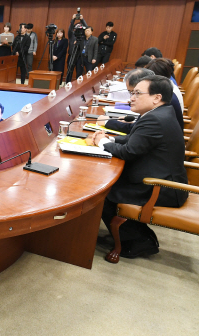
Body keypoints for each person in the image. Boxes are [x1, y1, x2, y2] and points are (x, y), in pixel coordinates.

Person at [87, 75, 187, 259]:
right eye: (132, 93)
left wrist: (102, 143)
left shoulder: (155, 119)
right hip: (160, 178)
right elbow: (135, 138)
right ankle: (133, 235)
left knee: (102, 192)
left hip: (163, 187)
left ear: (156, 97)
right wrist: (108, 139)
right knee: (107, 184)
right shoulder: (160, 113)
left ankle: (137, 242)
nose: (131, 97)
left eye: (137, 93)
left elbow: (128, 152)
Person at [66, 13, 88, 83]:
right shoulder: (71, 34)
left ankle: (78, 86)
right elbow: (70, 27)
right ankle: (67, 84)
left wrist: (82, 19)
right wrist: (73, 19)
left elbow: (87, 28)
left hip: (79, 57)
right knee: (69, 71)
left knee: (79, 72)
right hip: (71, 55)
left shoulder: (83, 36)